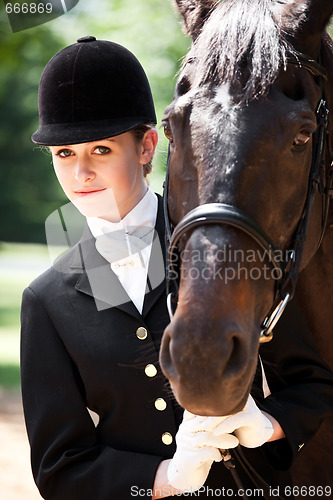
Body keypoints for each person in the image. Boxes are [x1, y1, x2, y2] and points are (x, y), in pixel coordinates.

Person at [20, 36, 333, 500]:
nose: (80, 173)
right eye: (64, 154)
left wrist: (265, 424)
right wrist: (166, 477)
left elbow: (316, 383)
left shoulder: (228, 251)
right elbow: (60, 467)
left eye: (100, 150)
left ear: (147, 145)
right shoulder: (47, 300)